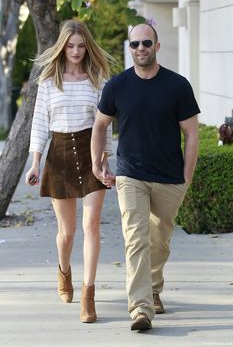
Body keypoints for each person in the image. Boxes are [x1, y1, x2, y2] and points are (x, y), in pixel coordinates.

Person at [91, 23, 200, 331]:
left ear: (157, 46)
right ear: (130, 48)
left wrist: (186, 177)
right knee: (135, 239)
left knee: (160, 241)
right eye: (135, 44)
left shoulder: (177, 86)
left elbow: (191, 134)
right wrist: (97, 163)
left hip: (169, 177)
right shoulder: (117, 86)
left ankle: (153, 288)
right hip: (130, 175)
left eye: (146, 43)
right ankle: (140, 308)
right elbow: (100, 126)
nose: (141, 48)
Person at [25, 19, 114, 323]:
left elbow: (104, 125)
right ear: (62, 47)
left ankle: (88, 297)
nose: (76, 51)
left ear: (87, 46)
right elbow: (38, 124)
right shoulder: (49, 81)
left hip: (90, 153)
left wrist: (103, 159)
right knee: (68, 232)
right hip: (59, 155)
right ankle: (64, 271)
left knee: (92, 226)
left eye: (81, 45)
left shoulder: (97, 79)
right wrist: (35, 162)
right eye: (70, 46)